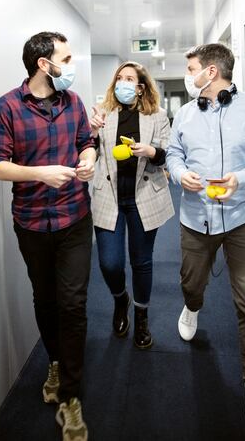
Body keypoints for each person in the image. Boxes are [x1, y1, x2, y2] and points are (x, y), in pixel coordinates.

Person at [166, 43, 245, 431]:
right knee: (191, 282)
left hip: (244, 217)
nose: (188, 74)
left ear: (211, 72)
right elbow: (172, 154)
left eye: (191, 68)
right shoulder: (185, 113)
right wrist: (179, 172)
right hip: (196, 216)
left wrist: (241, 179)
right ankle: (192, 306)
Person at [0, 32, 95, 441]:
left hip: (74, 219)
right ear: (44, 65)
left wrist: (87, 159)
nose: (72, 65)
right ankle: (54, 360)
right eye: (66, 58)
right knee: (45, 300)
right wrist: (39, 173)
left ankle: (70, 398)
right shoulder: (7, 108)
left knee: (73, 303)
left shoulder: (75, 103)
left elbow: (88, 141)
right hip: (31, 222)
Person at [90, 61, 174, 349]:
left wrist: (150, 151)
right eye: (119, 78)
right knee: (109, 263)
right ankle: (119, 299)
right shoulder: (102, 114)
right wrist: (90, 131)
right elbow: (89, 149)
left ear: (140, 87)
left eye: (130, 79)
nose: (123, 83)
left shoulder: (157, 116)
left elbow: (167, 155)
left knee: (141, 262)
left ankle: (141, 317)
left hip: (144, 196)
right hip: (109, 195)